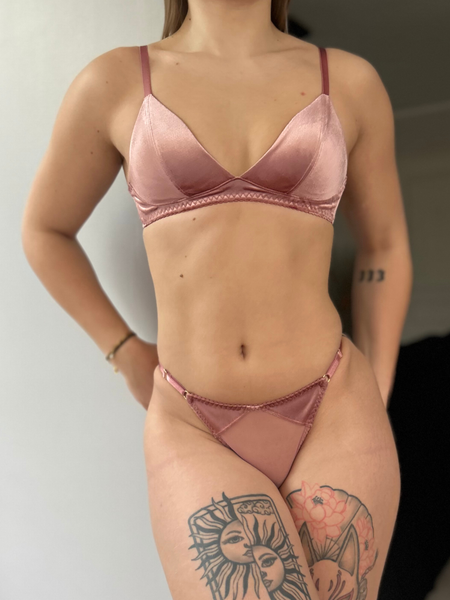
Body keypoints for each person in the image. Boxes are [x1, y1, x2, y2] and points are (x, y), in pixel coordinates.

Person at [21, 1, 413, 598]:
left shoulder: (351, 81)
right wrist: (124, 350)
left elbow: (384, 246)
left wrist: (378, 391)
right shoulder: (114, 82)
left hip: (336, 410)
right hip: (193, 424)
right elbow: (45, 231)